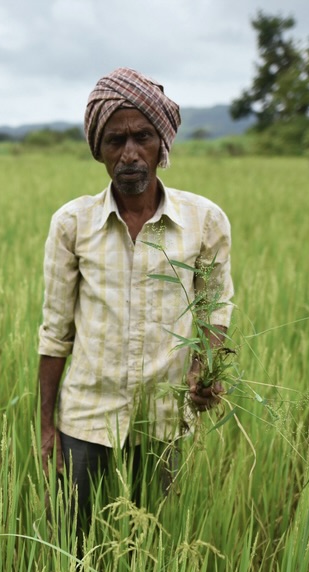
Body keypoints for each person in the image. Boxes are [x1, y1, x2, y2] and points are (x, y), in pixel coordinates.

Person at [38, 67, 234, 535]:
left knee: (154, 544)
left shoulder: (204, 222)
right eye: (115, 140)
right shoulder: (72, 224)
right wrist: (46, 427)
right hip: (86, 416)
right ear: (99, 150)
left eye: (142, 137)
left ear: (161, 144)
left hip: (163, 419)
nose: (129, 153)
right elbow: (55, 330)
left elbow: (214, 310)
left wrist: (203, 372)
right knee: (71, 540)